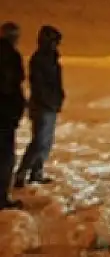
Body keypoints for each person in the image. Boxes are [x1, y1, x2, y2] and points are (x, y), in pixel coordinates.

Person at [14, 25, 65, 188]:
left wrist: (58, 98)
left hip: (48, 105)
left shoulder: (50, 58)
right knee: (39, 141)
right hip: (42, 106)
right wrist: (51, 100)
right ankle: (22, 173)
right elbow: (40, 85)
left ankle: (36, 172)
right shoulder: (40, 59)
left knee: (45, 141)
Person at [0, 21, 26, 209]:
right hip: (4, 116)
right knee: (5, 158)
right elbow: (11, 85)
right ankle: (1, 199)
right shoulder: (10, 56)